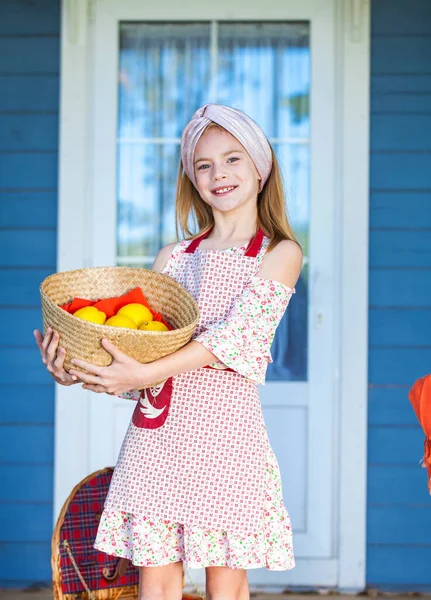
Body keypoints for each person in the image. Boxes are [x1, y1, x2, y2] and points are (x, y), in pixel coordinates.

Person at [34, 104, 303, 600]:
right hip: (157, 438)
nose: (218, 173)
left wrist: (138, 375)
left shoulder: (279, 253)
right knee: (155, 580)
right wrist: (74, 368)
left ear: (261, 168)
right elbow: (140, 354)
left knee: (226, 580)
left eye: (233, 159)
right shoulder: (172, 258)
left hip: (227, 439)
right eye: (203, 165)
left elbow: (235, 339)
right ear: (191, 179)